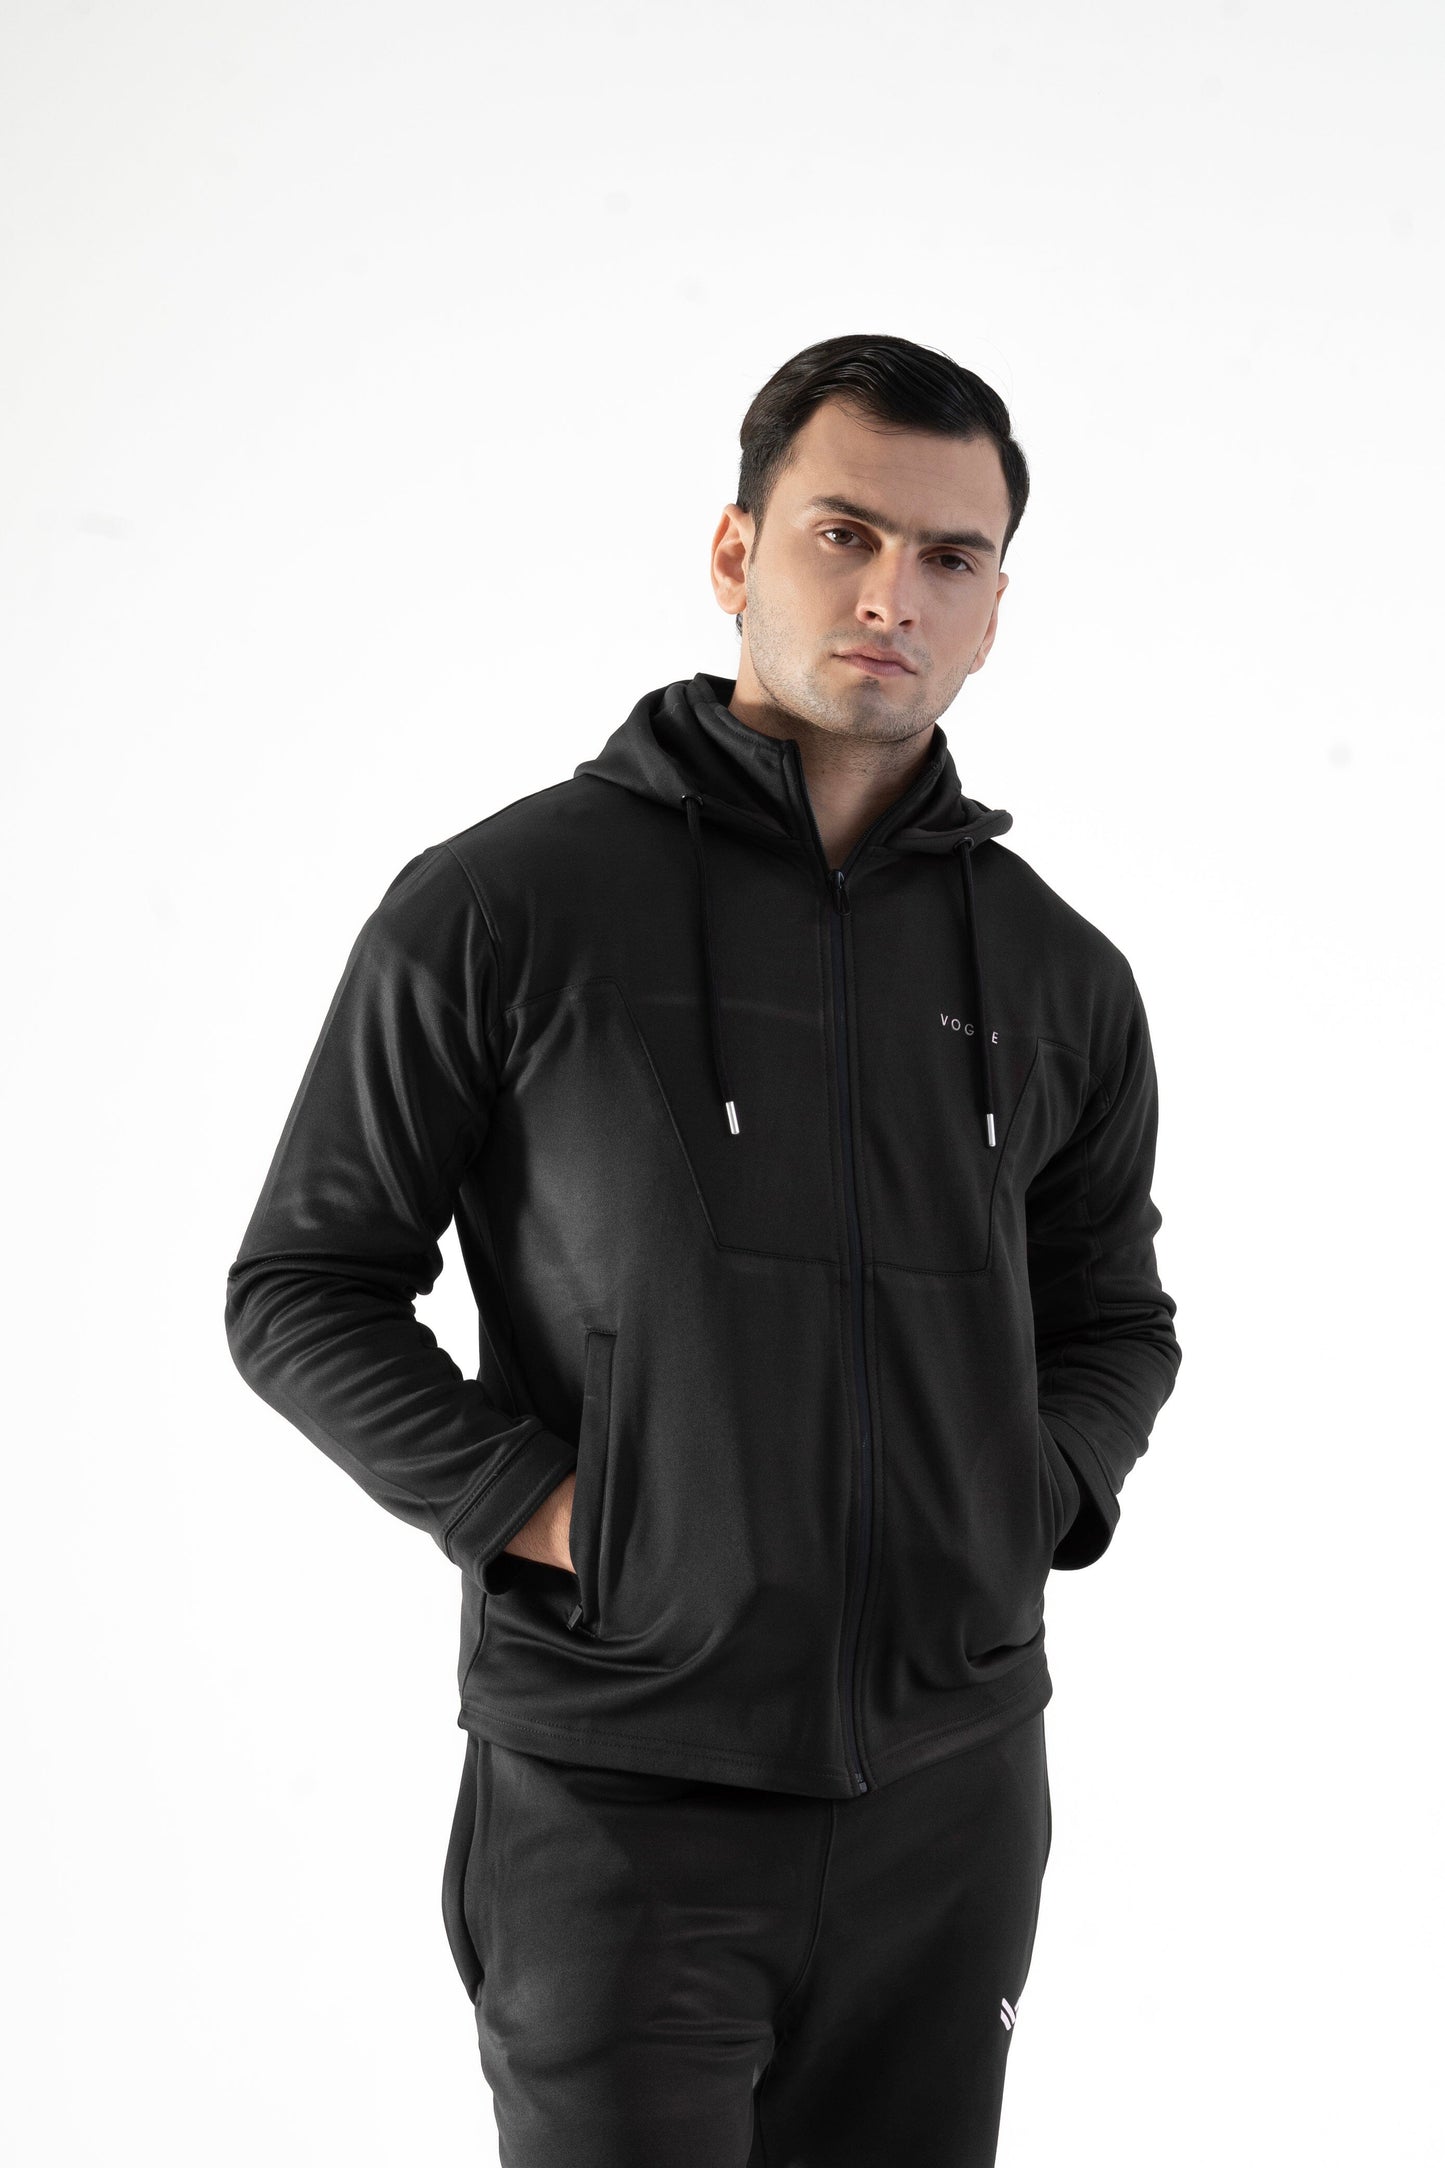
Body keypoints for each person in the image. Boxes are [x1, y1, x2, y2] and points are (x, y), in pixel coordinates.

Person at [225, 330, 1182, 2167]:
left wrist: (1018, 1498)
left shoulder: (1059, 974)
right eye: (843, 533)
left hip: (953, 1792)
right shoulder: (505, 906)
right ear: (737, 550)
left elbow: (1114, 1321)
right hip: (619, 1788)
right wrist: (558, 1513)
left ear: (993, 608)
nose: (891, 595)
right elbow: (304, 1287)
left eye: (950, 557)